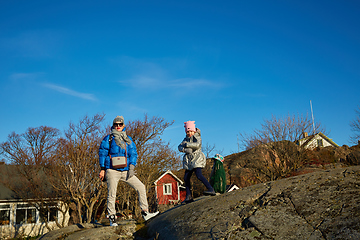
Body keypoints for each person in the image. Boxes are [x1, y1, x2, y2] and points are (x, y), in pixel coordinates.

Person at [99, 116, 159, 226]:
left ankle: (145, 212)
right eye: (116, 124)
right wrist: (102, 169)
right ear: (113, 126)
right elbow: (102, 153)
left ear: (123, 126)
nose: (118, 126)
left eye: (120, 124)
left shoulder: (128, 139)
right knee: (112, 194)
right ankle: (112, 218)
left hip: (126, 171)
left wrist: (132, 167)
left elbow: (133, 153)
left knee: (141, 187)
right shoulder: (108, 138)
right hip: (112, 170)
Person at [178, 121, 216, 204]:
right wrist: (184, 149)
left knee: (199, 175)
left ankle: (210, 189)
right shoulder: (185, 139)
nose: (189, 133)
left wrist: (187, 145)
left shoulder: (197, 136)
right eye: (187, 131)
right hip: (189, 161)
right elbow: (179, 146)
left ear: (194, 131)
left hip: (197, 159)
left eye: (190, 131)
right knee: (186, 178)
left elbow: (197, 145)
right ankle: (188, 196)